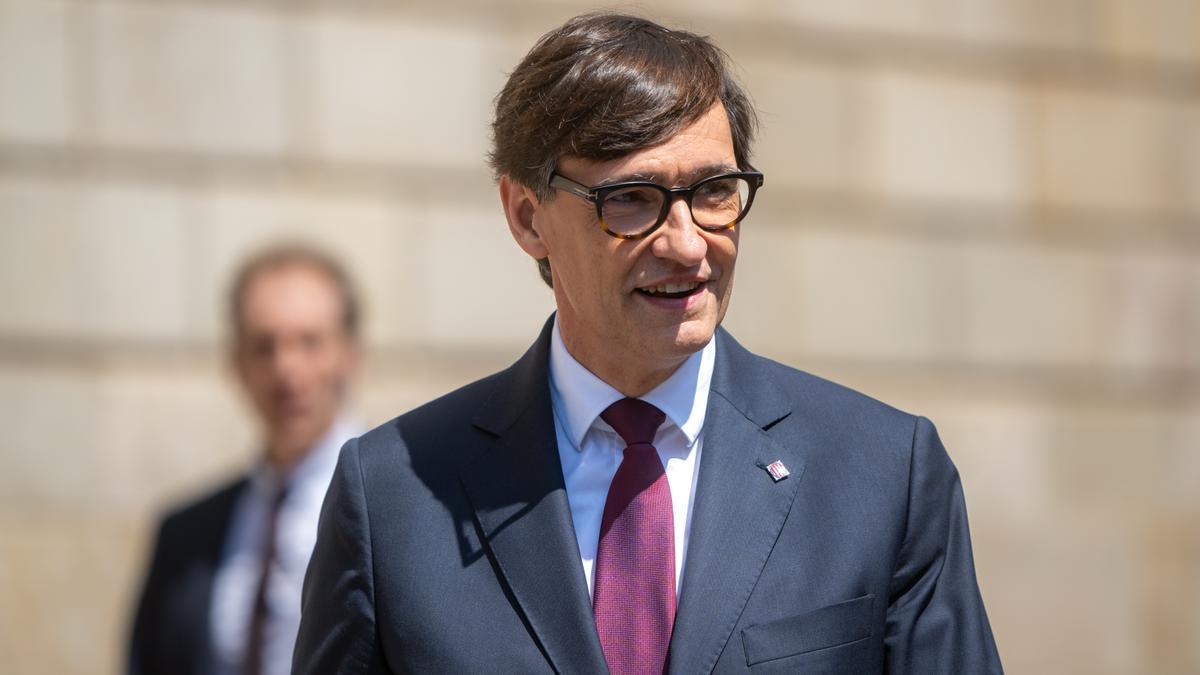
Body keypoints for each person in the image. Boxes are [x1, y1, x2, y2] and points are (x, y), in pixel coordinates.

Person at [293, 12, 1002, 674]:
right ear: (527, 215)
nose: (688, 244)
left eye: (715, 191)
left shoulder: (885, 475)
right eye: (631, 199)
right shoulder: (393, 494)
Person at [129, 244, 364, 675]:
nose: (286, 369)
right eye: (264, 346)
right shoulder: (185, 535)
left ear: (350, 354)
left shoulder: (403, 513)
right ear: (236, 363)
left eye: (309, 342)